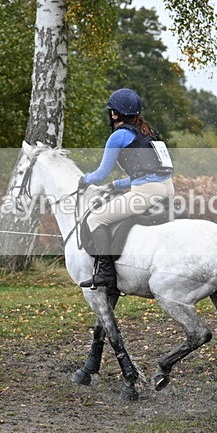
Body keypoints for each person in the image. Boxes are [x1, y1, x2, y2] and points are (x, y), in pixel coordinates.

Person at [78, 88, 175, 289]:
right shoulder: (149, 132)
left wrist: (84, 179)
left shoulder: (119, 136)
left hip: (145, 194)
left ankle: (106, 274)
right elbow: (147, 173)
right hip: (167, 189)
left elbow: (100, 174)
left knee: (95, 218)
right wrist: (116, 184)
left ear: (115, 113)